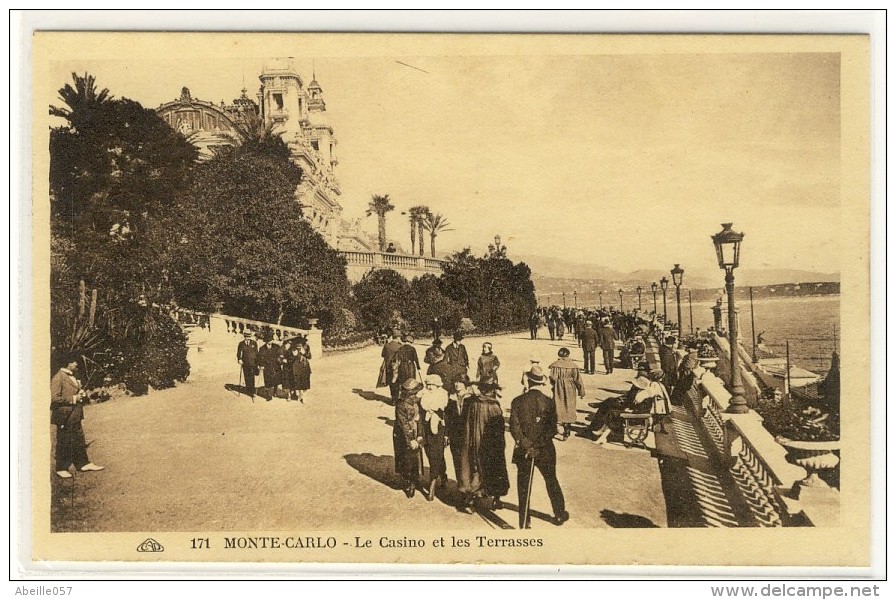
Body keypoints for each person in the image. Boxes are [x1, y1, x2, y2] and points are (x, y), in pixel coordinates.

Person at [510, 366, 568, 528]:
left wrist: (527, 445)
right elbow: (551, 429)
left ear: (528, 380)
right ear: (541, 382)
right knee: (551, 480)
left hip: (524, 450)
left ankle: (525, 521)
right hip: (545, 449)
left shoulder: (517, 401)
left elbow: (515, 428)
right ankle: (559, 514)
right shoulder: (548, 402)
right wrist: (537, 446)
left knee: (523, 485)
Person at [51, 356, 104, 478]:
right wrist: (74, 399)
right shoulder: (58, 377)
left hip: (75, 414)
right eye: (74, 362)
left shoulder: (72, 375)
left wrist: (81, 394)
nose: (76, 364)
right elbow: (53, 398)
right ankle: (61, 468)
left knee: (79, 439)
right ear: (68, 363)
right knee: (64, 441)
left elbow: (73, 391)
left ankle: (83, 463)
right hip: (64, 416)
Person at [463, 381, 510, 512]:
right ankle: (496, 499)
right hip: (490, 444)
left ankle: (471, 499)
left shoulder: (474, 404)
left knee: (476, 468)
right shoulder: (494, 407)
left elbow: (468, 424)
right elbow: (499, 429)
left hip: (475, 442)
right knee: (495, 469)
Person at [588, 375, 656, 444]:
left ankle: (603, 434)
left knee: (613, 414)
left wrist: (629, 411)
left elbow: (641, 410)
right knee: (612, 410)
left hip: (638, 418)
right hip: (637, 415)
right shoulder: (641, 394)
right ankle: (603, 434)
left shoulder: (645, 397)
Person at [445, 375, 474, 510]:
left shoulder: (471, 399)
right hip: (455, 437)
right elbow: (447, 419)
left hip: (468, 437)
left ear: (465, 384)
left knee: (468, 463)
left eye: (460, 382)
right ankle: (462, 491)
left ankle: (469, 494)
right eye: (455, 382)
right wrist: (447, 435)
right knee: (458, 462)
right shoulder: (451, 400)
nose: (457, 384)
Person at [419, 374, 449, 500]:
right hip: (426, 425)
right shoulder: (424, 393)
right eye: (429, 384)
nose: (430, 387)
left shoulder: (442, 394)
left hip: (439, 426)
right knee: (430, 452)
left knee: (435, 454)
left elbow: (443, 410)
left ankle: (432, 483)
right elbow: (422, 406)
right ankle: (442, 474)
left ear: (438, 385)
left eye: (433, 385)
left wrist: (447, 434)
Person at [393, 379, 425, 498]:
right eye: (416, 392)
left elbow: (420, 418)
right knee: (406, 457)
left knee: (415, 457)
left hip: (416, 431)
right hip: (404, 435)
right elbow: (403, 424)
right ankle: (409, 481)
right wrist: (411, 439)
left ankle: (415, 479)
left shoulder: (417, 402)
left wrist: (420, 434)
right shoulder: (402, 404)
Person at [548, 347, 585, 440]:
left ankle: (556, 428)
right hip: (570, 388)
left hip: (558, 388)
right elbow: (578, 379)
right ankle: (567, 429)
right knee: (569, 406)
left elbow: (553, 377)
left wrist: (556, 385)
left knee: (559, 406)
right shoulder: (573, 365)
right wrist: (581, 391)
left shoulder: (555, 365)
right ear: (568, 355)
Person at [376, 329, 404, 403]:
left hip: (388, 367)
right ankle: (398, 398)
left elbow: (383, 355)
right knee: (398, 383)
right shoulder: (400, 346)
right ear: (398, 337)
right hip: (398, 368)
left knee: (392, 384)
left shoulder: (387, 345)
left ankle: (393, 399)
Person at [256, 334, 281, 400]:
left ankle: (275, 392)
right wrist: (261, 365)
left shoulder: (276, 346)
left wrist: (280, 359)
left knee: (276, 379)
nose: (270, 342)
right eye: (268, 341)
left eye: (271, 340)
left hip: (276, 365)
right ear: (266, 341)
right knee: (267, 380)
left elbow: (280, 354)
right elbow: (259, 358)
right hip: (267, 366)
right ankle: (268, 395)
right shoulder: (262, 348)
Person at [236, 331, 259, 398]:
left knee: (252, 377)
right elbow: (238, 353)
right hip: (245, 363)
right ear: (244, 336)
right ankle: (248, 389)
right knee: (246, 376)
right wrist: (239, 359)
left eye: (249, 336)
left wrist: (258, 362)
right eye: (246, 336)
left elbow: (257, 353)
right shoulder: (241, 344)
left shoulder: (254, 343)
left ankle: (252, 391)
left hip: (252, 363)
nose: (247, 338)